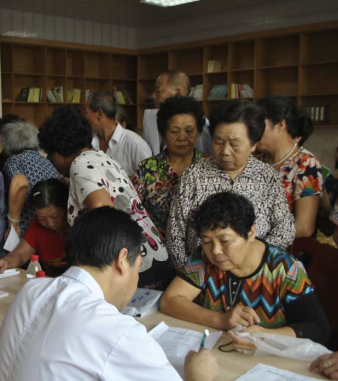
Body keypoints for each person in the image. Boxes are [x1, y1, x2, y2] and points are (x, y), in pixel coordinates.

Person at [0, 207, 219, 381]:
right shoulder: (115, 331)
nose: (136, 279)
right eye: (138, 268)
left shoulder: (31, 291)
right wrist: (199, 378)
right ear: (122, 260)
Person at [160, 192, 329, 349]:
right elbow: (170, 300)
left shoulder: (285, 269)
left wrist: (265, 336)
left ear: (251, 233)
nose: (215, 251)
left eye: (225, 241)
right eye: (207, 241)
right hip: (217, 351)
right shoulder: (203, 259)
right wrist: (221, 320)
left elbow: (318, 329)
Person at [39, 106, 174, 290]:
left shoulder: (80, 164)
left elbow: (103, 211)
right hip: (151, 255)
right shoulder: (102, 158)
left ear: (57, 151)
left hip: (133, 265)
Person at [167, 100, 296, 268]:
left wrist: (255, 262)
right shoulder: (194, 175)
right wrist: (192, 274)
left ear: (253, 144)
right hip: (201, 272)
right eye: (219, 142)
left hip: (254, 270)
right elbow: (175, 233)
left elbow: (285, 229)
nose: (225, 151)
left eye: (235, 144)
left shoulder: (267, 176)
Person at [131, 96, 210, 237]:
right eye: (174, 131)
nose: (182, 137)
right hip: (157, 243)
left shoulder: (209, 165)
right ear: (162, 133)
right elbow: (131, 211)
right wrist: (149, 228)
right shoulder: (147, 168)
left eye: (189, 131)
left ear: (198, 132)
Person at [257, 96, 322, 238]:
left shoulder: (305, 163)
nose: (252, 131)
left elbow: (304, 227)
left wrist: (258, 241)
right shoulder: (257, 161)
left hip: (283, 248)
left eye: (259, 124)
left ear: (280, 125)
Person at [0, 179, 70, 277]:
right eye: (42, 218)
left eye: (55, 216)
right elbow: (20, 255)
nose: (50, 224)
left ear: (67, 207)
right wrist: (6, 261)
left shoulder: (77, 227)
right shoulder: (37, 225)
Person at [1, 121, 60, 236]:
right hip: (52, 221)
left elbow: (20, 184)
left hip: (30, 223)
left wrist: (13, 222)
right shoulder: (44, 160)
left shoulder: (14, 161)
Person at [143, 69, 212, 155]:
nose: (153, 96)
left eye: (158, 91)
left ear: (178, 93)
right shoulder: (151, 117)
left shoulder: (200, 123)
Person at [85, 90, 152, 176]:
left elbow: (150, 179)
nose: (83, 118)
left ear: (99, 114)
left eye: (85, 112)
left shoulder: (135, 144)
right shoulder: (88, 143)